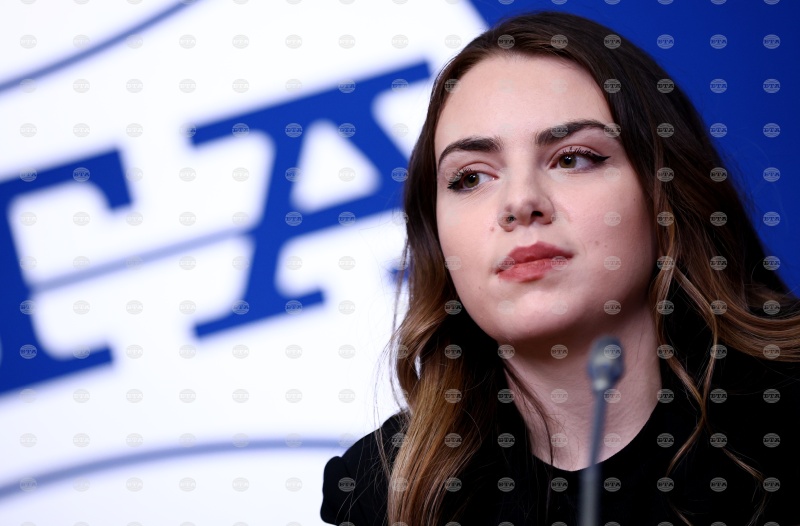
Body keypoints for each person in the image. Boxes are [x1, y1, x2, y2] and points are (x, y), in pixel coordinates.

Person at [320, 11, 800, 526]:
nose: (520, 202)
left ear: (663, 192)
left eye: (572, 158)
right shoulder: (379, 490)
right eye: (470, 178)